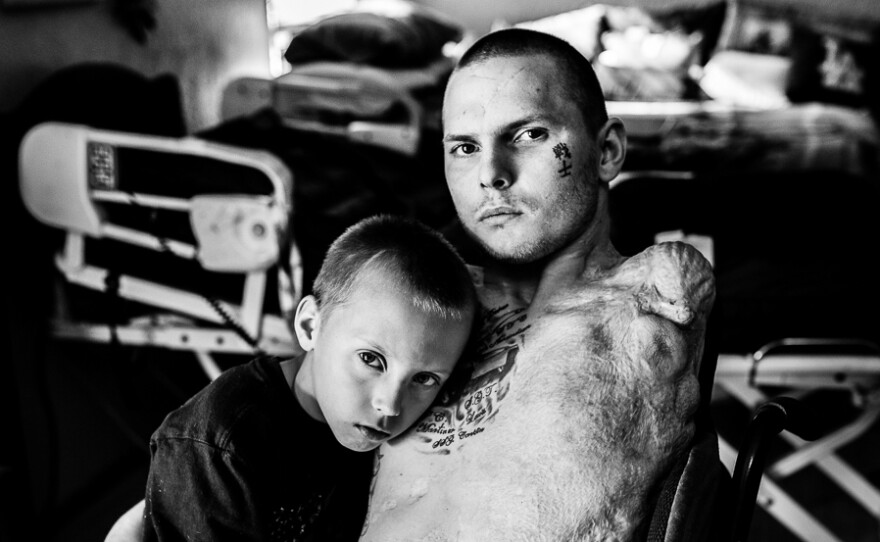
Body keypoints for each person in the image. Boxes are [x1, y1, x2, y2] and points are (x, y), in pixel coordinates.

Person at [357, 28, 717, 541]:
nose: (490, 174)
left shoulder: (646, 302)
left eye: (528, 135)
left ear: (608, 151)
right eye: (463, 146)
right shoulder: (420, 308)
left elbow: (685, 289)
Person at [141, 214, 477, 541]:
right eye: (371, 360)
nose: (389, 405)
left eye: (425, 379)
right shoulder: (221, 446)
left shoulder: (355, 424)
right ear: (310, 327)